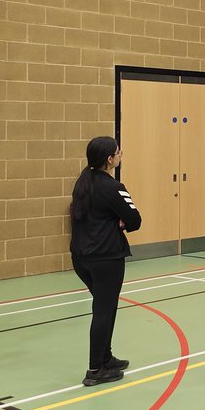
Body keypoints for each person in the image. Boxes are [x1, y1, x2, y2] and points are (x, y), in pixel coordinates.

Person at [69, 137, 142, 386]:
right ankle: (95, 369)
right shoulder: (113, 187)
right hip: (105, 258)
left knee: (105, 306)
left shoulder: (82, 182)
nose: (121, 155)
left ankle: (106, 357)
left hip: (81, 258)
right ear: (110, 159)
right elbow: (134, 219)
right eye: (118, 152)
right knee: (103, 309)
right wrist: (120, 222)